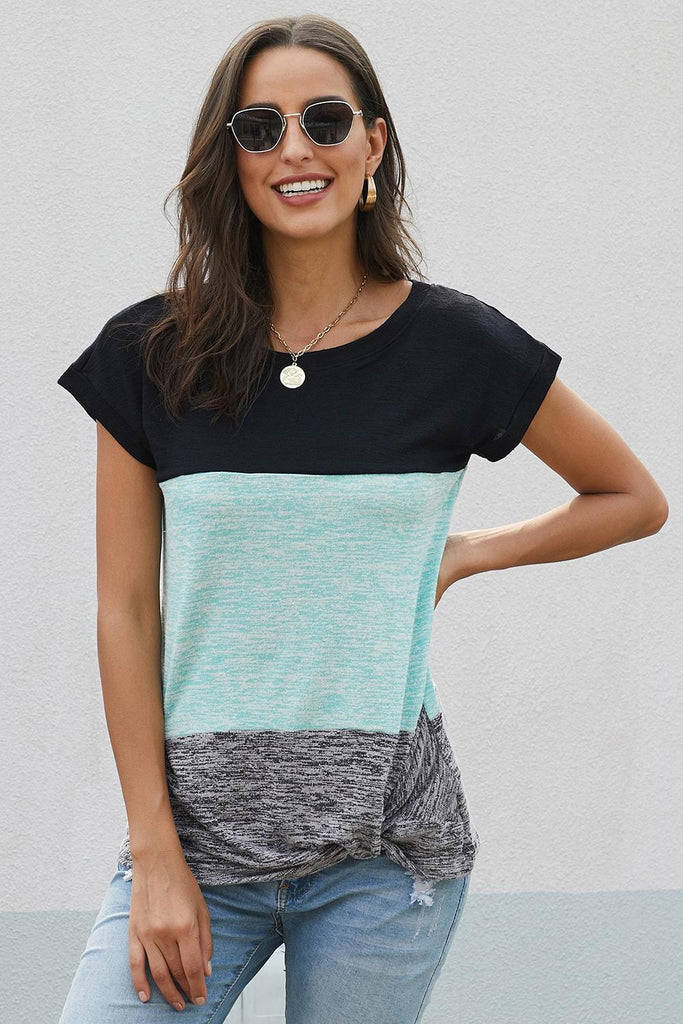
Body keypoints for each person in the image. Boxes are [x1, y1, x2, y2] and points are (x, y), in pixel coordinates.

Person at [56, 13, 668, 1024]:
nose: (294, 149)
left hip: (385, 857)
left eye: (325, 120)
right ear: (230, 156)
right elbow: (124, 610)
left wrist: (464, 554)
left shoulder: (455, 346)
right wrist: (154, 852)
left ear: (372, 143)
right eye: (260, 127)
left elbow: (632, 498)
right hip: (194, 850)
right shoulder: (151, 353)